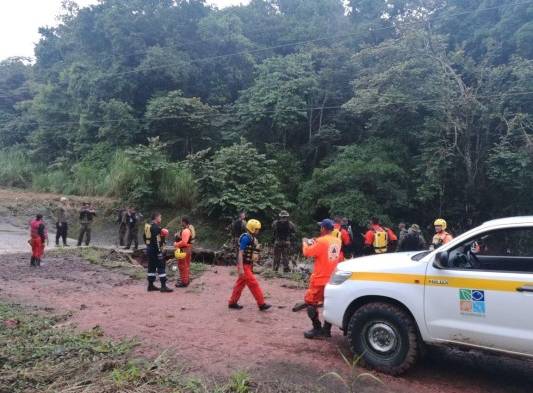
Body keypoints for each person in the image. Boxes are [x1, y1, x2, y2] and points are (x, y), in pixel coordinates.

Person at [302, 219, 342, 339]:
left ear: (323, 228)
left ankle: (317, 328)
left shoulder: (321, 241)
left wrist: (304, 242)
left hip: (319, 279)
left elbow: (307, 252)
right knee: (328, 304)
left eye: (321, 227)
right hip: (332, 278)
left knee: (310, 303)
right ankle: (326, 330)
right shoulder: (337, 241)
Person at [228, 219, 271, 311]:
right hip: (244, 265)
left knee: (240, 284)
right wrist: (240, 268)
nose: (258, 231)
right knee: (253, 284)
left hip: (248, 265)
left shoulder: (251, 238)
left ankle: (232, 302)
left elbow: (252, 253)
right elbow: (240, 253)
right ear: (252, 229)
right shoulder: (245, 238)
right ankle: (261, 304)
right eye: (257, 229)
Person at [146, 212, 173, 293]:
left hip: (150, 249)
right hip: (156, 250)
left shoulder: (148, 226)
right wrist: (159, 252)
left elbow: (145, 237)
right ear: (156, 218)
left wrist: (148, 246)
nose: (161, 219)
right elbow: (157, 241)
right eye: (160, 217)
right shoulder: (155, 227)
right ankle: (163, 286)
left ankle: (150, 285)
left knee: (151, 267)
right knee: (161, 266)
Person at [174, 217, 195, 288]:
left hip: (183, 249)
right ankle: (186, 280)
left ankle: (184, 282)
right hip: (188, 248)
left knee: (182, 266)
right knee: (186, 265)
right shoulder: (190, 229)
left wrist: (176, 244)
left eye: (181, 222)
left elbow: (184, 242)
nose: (181, 223)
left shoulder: (186, 230)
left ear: (184, 222)